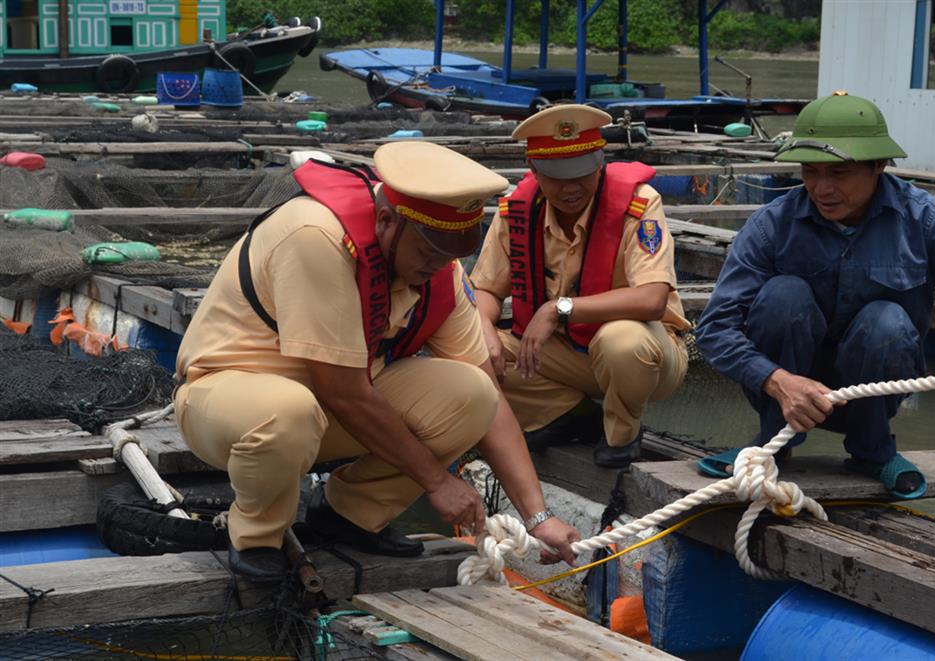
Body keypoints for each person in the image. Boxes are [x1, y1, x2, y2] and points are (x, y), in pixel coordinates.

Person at [173, 142, 579, 583]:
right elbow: (341, 391)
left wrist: (539, 517)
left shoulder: (438, 269)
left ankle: (349, 515)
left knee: (472, 395)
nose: (439, 265)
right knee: (287, 411)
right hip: (230, 399)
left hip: (329, 409)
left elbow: (491, 396)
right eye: (428, 252)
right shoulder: (317, 235)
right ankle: (257, 535)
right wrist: (438, 482)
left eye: (449, 254)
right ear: (386, 220)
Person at [695, 91, 935, 498]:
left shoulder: (924, 218)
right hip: (786, 391)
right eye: (809, 171)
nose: (822, 188)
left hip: (874, 386)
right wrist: (777, 380)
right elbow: (715, 328)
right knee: (784, 296)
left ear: (878, 166)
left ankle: (873, 449)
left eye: (837, 173)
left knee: (886, 321)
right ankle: (772, 446)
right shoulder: (773, 225)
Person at [471, 104, 690, 469]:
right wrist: (484, 332)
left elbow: (653, 300)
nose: (572, 187)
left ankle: (622, 433)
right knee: (467, 349)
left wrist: (558, 308)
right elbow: (486, 290)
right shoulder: (518, 211)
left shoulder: (639, 204)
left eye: (582, 174)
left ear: (600, 163)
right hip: (563, 354)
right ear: (534, 170)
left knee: (622, 340)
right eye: (558, 176)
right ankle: (566, 414)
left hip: (646, 356)